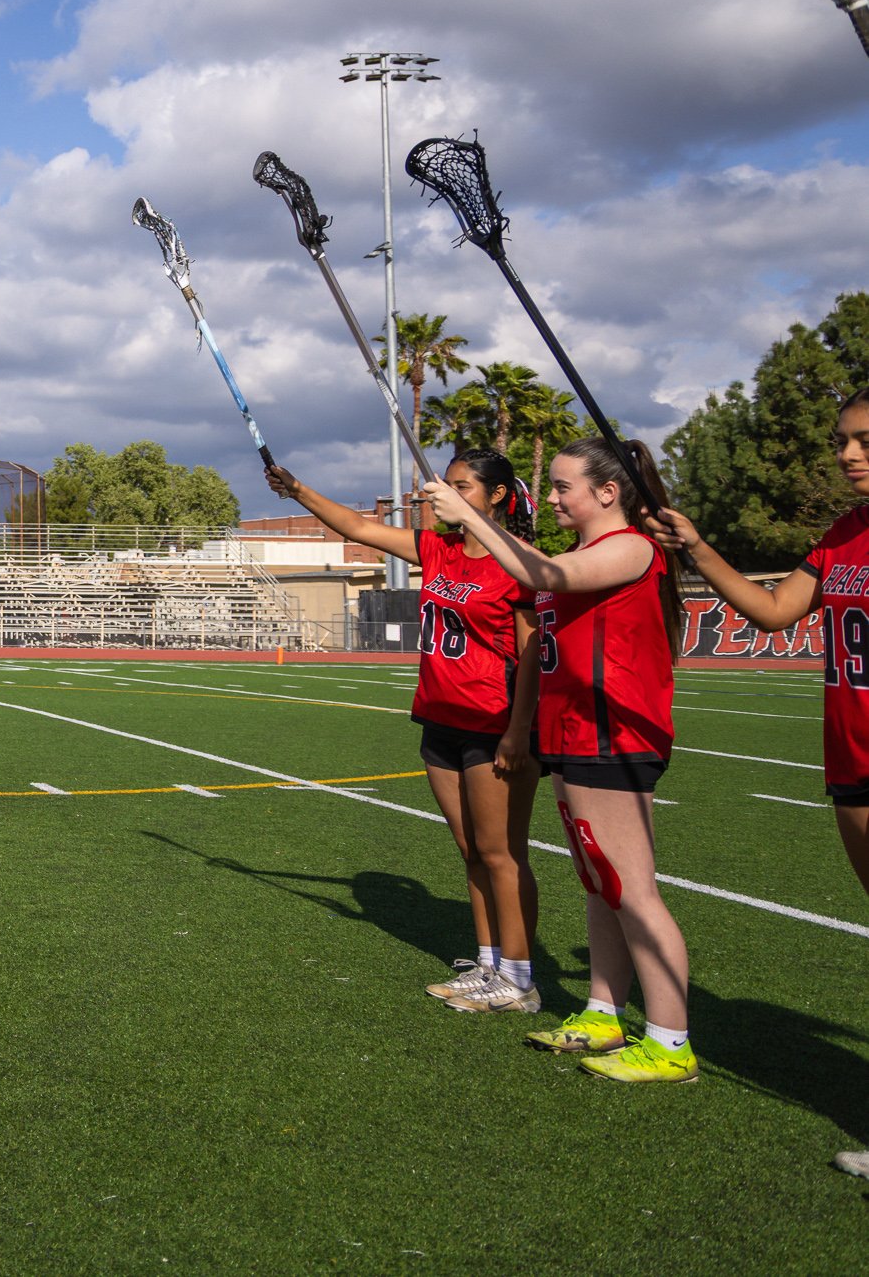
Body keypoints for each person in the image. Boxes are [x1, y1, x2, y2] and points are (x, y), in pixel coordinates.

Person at [421, 439, 695, 1083]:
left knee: (632, 890)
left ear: (608, 492)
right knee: (600, 885)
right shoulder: (579, 551)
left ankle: (670, 1041)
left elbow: (545, 577)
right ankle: (604, 1012)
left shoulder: (631, 547)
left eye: (563, 486)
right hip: (572, 733)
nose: (549, 497)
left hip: (615, 733)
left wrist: (472, 517)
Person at [652, 388, 868, 1147]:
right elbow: (775, 612)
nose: (848, 454)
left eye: (865, 440)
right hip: (851, 756)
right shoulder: (843, 533)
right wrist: (697, 546)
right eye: (842, 440)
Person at [268, 451, 544, 1012]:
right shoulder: (438, 550)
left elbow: (534, 652)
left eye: (462, 487)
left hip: (493, 721)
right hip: (440, 717)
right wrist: (297, 489)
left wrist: (519, 731)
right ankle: (488, 963)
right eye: (447, 484)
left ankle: (519, 980)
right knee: (471, 850)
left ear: (496, 496)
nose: (444, 494)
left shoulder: (518, 564)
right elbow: (357, 527)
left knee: (501, 853)